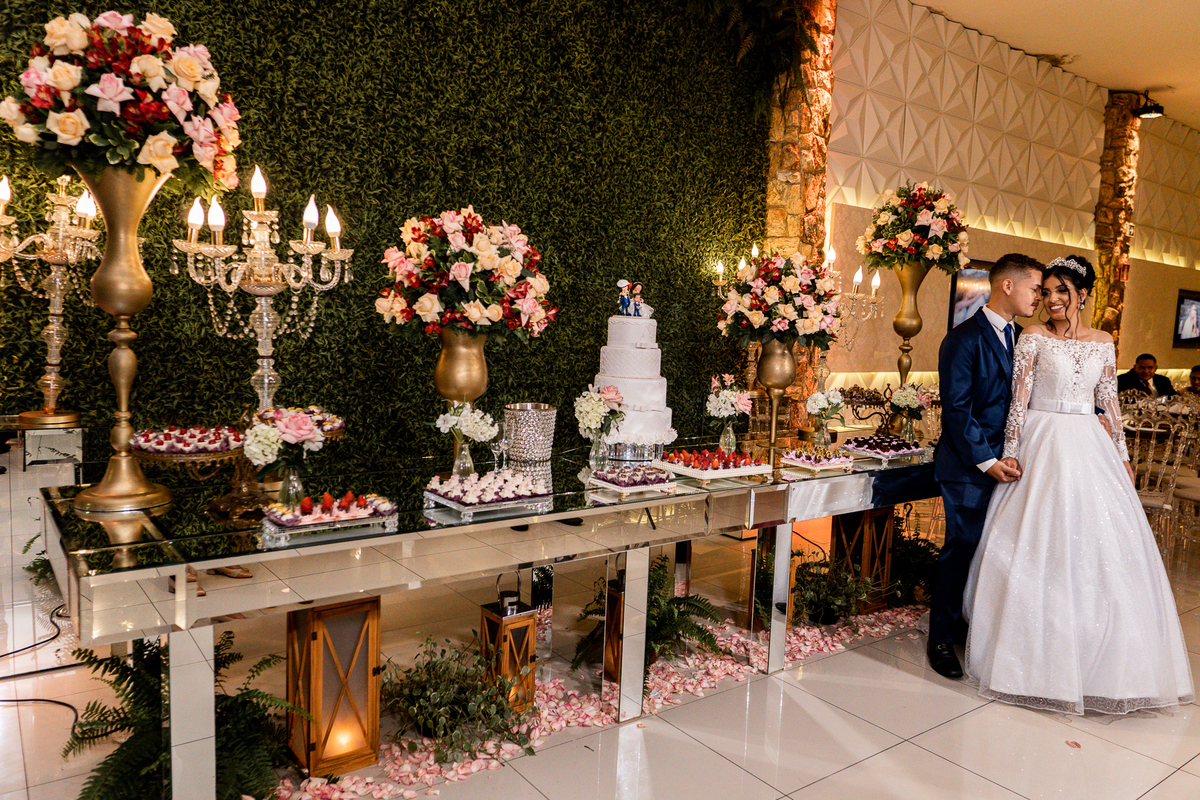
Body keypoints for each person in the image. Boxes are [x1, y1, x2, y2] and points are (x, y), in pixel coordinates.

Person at [963, 255, 1193, 714]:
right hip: (1041, 439)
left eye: (1061, 292)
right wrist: (1010, 450)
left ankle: (1101, 659)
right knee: (1036, 541)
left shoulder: (1103, 341)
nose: (1051, 300)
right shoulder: (1032, 338)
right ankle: (1028, 657)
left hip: (1090, 444)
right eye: (1045, 291)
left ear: (1082, 294)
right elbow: (1018, 401)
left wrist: (1124, 456)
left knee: (1100, 549)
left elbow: (1108, 400)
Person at [928, 253, 1044, 679]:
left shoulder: (1022, 338)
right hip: (967, 466)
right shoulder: (961, 339)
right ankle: (940, 639)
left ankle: (968, 622)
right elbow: (957, 411)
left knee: (994, 549)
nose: (1039, 297)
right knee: (961, 548)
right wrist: (989, 461)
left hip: (1010, 463)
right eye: (1035, 287)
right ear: (1008, 286)